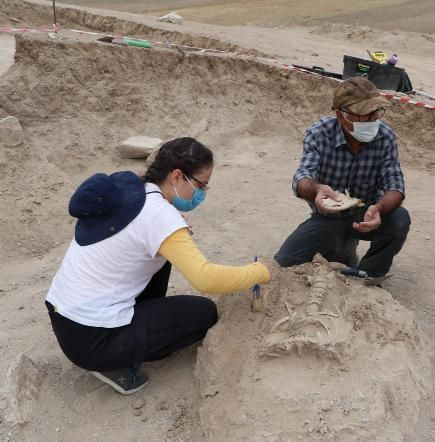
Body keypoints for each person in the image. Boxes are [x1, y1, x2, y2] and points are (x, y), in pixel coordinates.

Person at [45, 137, 272, 394]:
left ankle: (127, 332)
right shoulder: (159, 216)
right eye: (201, 185)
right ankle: (115, 364)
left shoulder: (134, 190)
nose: (202, 194)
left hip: (65, 317)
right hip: (94, 341)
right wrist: (261, 271)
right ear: (177, 177)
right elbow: (206, 280)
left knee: (161, 257)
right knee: (204, 313)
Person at [274, 77, 410, 278]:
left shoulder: (385, 136)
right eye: (365, 114)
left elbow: (395, 185)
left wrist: (378, 209)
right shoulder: (320, 132)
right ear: (342, 116)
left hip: (367, 214)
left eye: (377, 112)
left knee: (399, 219)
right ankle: (342, 247)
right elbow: (302, 177)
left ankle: (370, 273)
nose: (374, 119)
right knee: (282, 264)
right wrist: (317, 190)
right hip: (329, 217)